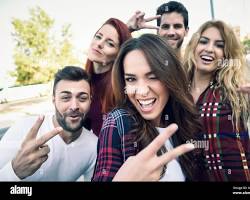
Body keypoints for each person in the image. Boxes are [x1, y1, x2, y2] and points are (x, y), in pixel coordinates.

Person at [92, 34, 205, 182]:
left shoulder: (186, 123)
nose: (142, 91)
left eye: (153, 77)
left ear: (171, 76)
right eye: (131, 79)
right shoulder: (118, 122)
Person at [0, 66, 97, 181]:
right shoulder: (24, 127)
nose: (74, 106)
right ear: (53, 100)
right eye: (65, 98)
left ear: (90, 101)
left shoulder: (94, 145)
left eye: (82, 98)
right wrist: (14, 171)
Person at [183, 20, 250, 181]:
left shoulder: (234, 90)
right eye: (204, 41)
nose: (209, 49)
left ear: (226, 55)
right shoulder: (179, 91)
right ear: (194, 45)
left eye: (219, 45)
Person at [85, 18, 132, 136]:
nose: (99, 43)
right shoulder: (82, 81)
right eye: (98, 36)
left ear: (118, 55)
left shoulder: (121, 88)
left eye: (110, 44)